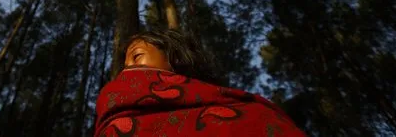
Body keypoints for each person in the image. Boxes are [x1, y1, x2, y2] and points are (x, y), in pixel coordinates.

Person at [94, 29, 306, 137]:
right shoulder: (112, 120)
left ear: (175, 58)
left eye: (137, 56)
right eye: (124, 64)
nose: (126, 70)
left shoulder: (253, 114)